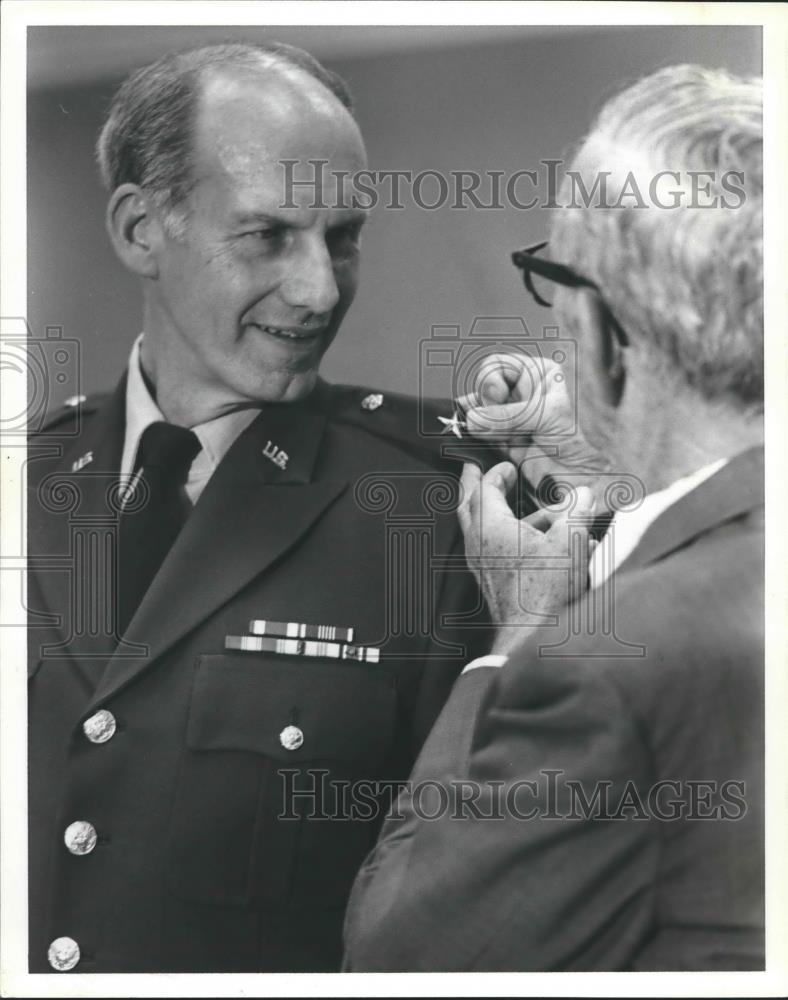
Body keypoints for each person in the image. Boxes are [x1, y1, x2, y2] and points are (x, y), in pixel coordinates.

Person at [26, 42, 489, 973]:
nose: (320, 289)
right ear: (139, 229)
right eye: (269, 236)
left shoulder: (436, 506)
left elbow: (463, 887)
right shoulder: (24, 481)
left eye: (342, 236)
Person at [344, 64, 765, 971]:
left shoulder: (596, 667)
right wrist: (608, 471)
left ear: (610, 338)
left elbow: (396, 962)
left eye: (556, 292)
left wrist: (523, 634)